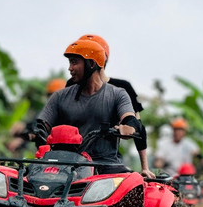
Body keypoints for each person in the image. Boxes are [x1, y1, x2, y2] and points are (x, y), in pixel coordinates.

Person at [36, 39, 153, 177]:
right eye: (69, 62)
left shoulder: (118, 94)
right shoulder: (59, 96)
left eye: (74, 62)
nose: (70, 68)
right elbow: (41, 126)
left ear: (91, 64)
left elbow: (130, 119)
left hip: (105, 165)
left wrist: (129, 128)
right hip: (66, 166)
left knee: (132, 183)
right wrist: (35, 132)